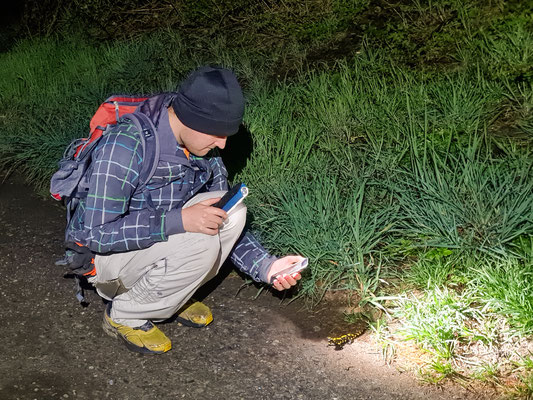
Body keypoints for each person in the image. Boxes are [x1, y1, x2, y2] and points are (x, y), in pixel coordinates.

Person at [65, 66, 305, 354]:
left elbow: (221, 214)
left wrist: (266, 266)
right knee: (200, 239)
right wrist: (178, 221)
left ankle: (171, 296)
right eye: (217, 134)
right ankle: (125, 314)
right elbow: (95, 235)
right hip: (105, 261)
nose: (223, 143)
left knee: (233, 210)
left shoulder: (203, 145)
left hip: (155, 246)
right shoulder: (126, 145)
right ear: (190, 119)